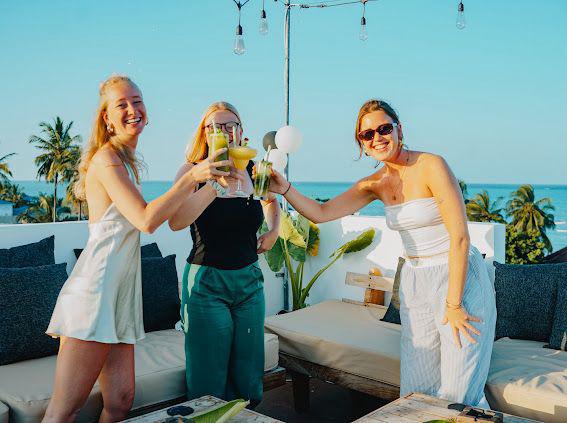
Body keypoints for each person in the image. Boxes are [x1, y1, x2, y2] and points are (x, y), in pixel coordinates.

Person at [264, 99, 496, 407]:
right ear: (361, 143)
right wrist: (284, 189)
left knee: (459, 391)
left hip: (457, 279)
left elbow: (460, 238)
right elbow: (322, 212)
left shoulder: (431, 165)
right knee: (417, 388)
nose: (377, 138)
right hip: (415, 282)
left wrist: (453, 304)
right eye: (367, 134)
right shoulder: (374, 184)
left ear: (399, 129)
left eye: (384, 129)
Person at [44, 76, 233, 423]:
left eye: (137, 100)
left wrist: (210, 185)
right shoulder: (106, 160)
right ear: (107, 118)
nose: (133, 109)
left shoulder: (126, 161)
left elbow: (157, 215)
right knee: (64, 411)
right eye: (122, 104)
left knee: (120, 401)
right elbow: (146, 219)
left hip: (121, 294)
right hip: (95, 293)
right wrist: (192, 178)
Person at [169, 101, 280, 407]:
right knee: (208, 375)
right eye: (215, 127)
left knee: (248, 373)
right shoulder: (193, 172)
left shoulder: (254, 170)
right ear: (205, 135)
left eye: (231, 125)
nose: (225, 131)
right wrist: (216, 184)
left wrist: (273, 231)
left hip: (250, 282)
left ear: (241, 132)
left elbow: (270, 201)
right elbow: (176, 221)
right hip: (207, 283)